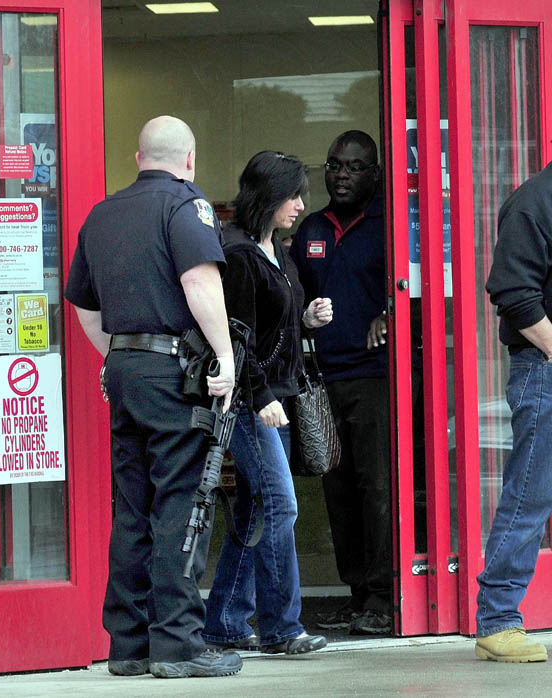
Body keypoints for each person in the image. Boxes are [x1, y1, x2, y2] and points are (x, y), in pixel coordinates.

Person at [64, 115, 243, 679]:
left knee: (132, 506)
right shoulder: (186, 207)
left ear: (139, 156)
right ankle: (178, 644)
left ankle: (128, 643)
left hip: (125, 369)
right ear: (188, 159)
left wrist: (117, 358)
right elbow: (199, 283)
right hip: (173, 373)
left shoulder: (101, 213)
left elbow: (84, 307)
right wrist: (227, 359)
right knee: (181, 502)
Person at [203, 151, 332, 655]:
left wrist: (308, 320)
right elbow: (236, 341)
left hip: (273, 397)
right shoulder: (237, 255)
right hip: (248, 402)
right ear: (267, 195)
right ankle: (281, 627)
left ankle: (227, 621)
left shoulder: (277, 249)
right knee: (281, 505)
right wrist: (258, 400)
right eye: (292, 194)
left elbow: (273, 326)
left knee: (257, 510)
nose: (301, 204)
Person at [289, 130, 392, 635]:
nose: (342, 174)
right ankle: (357, 594)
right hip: (324, 379)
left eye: (354, 166)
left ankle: (384, 596)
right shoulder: (311, 227)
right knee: (339, 491)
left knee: (378, 488)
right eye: (334, 165)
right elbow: (291, 301)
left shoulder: (390, 224)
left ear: (374, 174)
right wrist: (302, 315)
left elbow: (419, 284)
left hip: (376, 378)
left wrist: (391, 313)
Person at [475, 162, 552, 663]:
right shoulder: (534, 201)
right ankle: (498, 620)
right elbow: (513, 292)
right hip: (544, 369)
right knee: (530, 496)